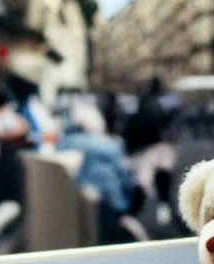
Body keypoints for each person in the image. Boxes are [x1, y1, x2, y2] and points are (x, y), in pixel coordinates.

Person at [57, 106, 148, 244]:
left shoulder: (66, 143)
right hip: (111, 202)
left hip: (78, 204)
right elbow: (125, 178)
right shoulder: (111, 146)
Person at [123, 75, 183, 226]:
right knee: (162, 181)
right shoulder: (168, 103)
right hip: (163, 146)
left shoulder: (144, 102)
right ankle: (163, 213)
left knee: (144, 181)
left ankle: (133, 216)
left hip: (149, 148)